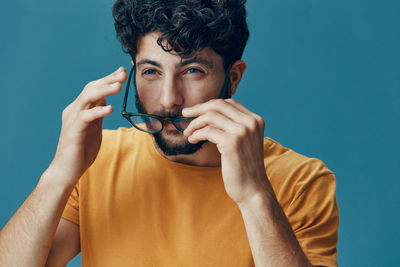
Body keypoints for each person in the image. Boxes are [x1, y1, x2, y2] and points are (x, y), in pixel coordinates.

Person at [0, 0, 339, 266]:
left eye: (192, 70)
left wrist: (255, 196)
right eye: (151, 71)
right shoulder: (100, 160)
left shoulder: (301, 181)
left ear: (233, 78)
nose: (168, 99)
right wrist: (58, 175)